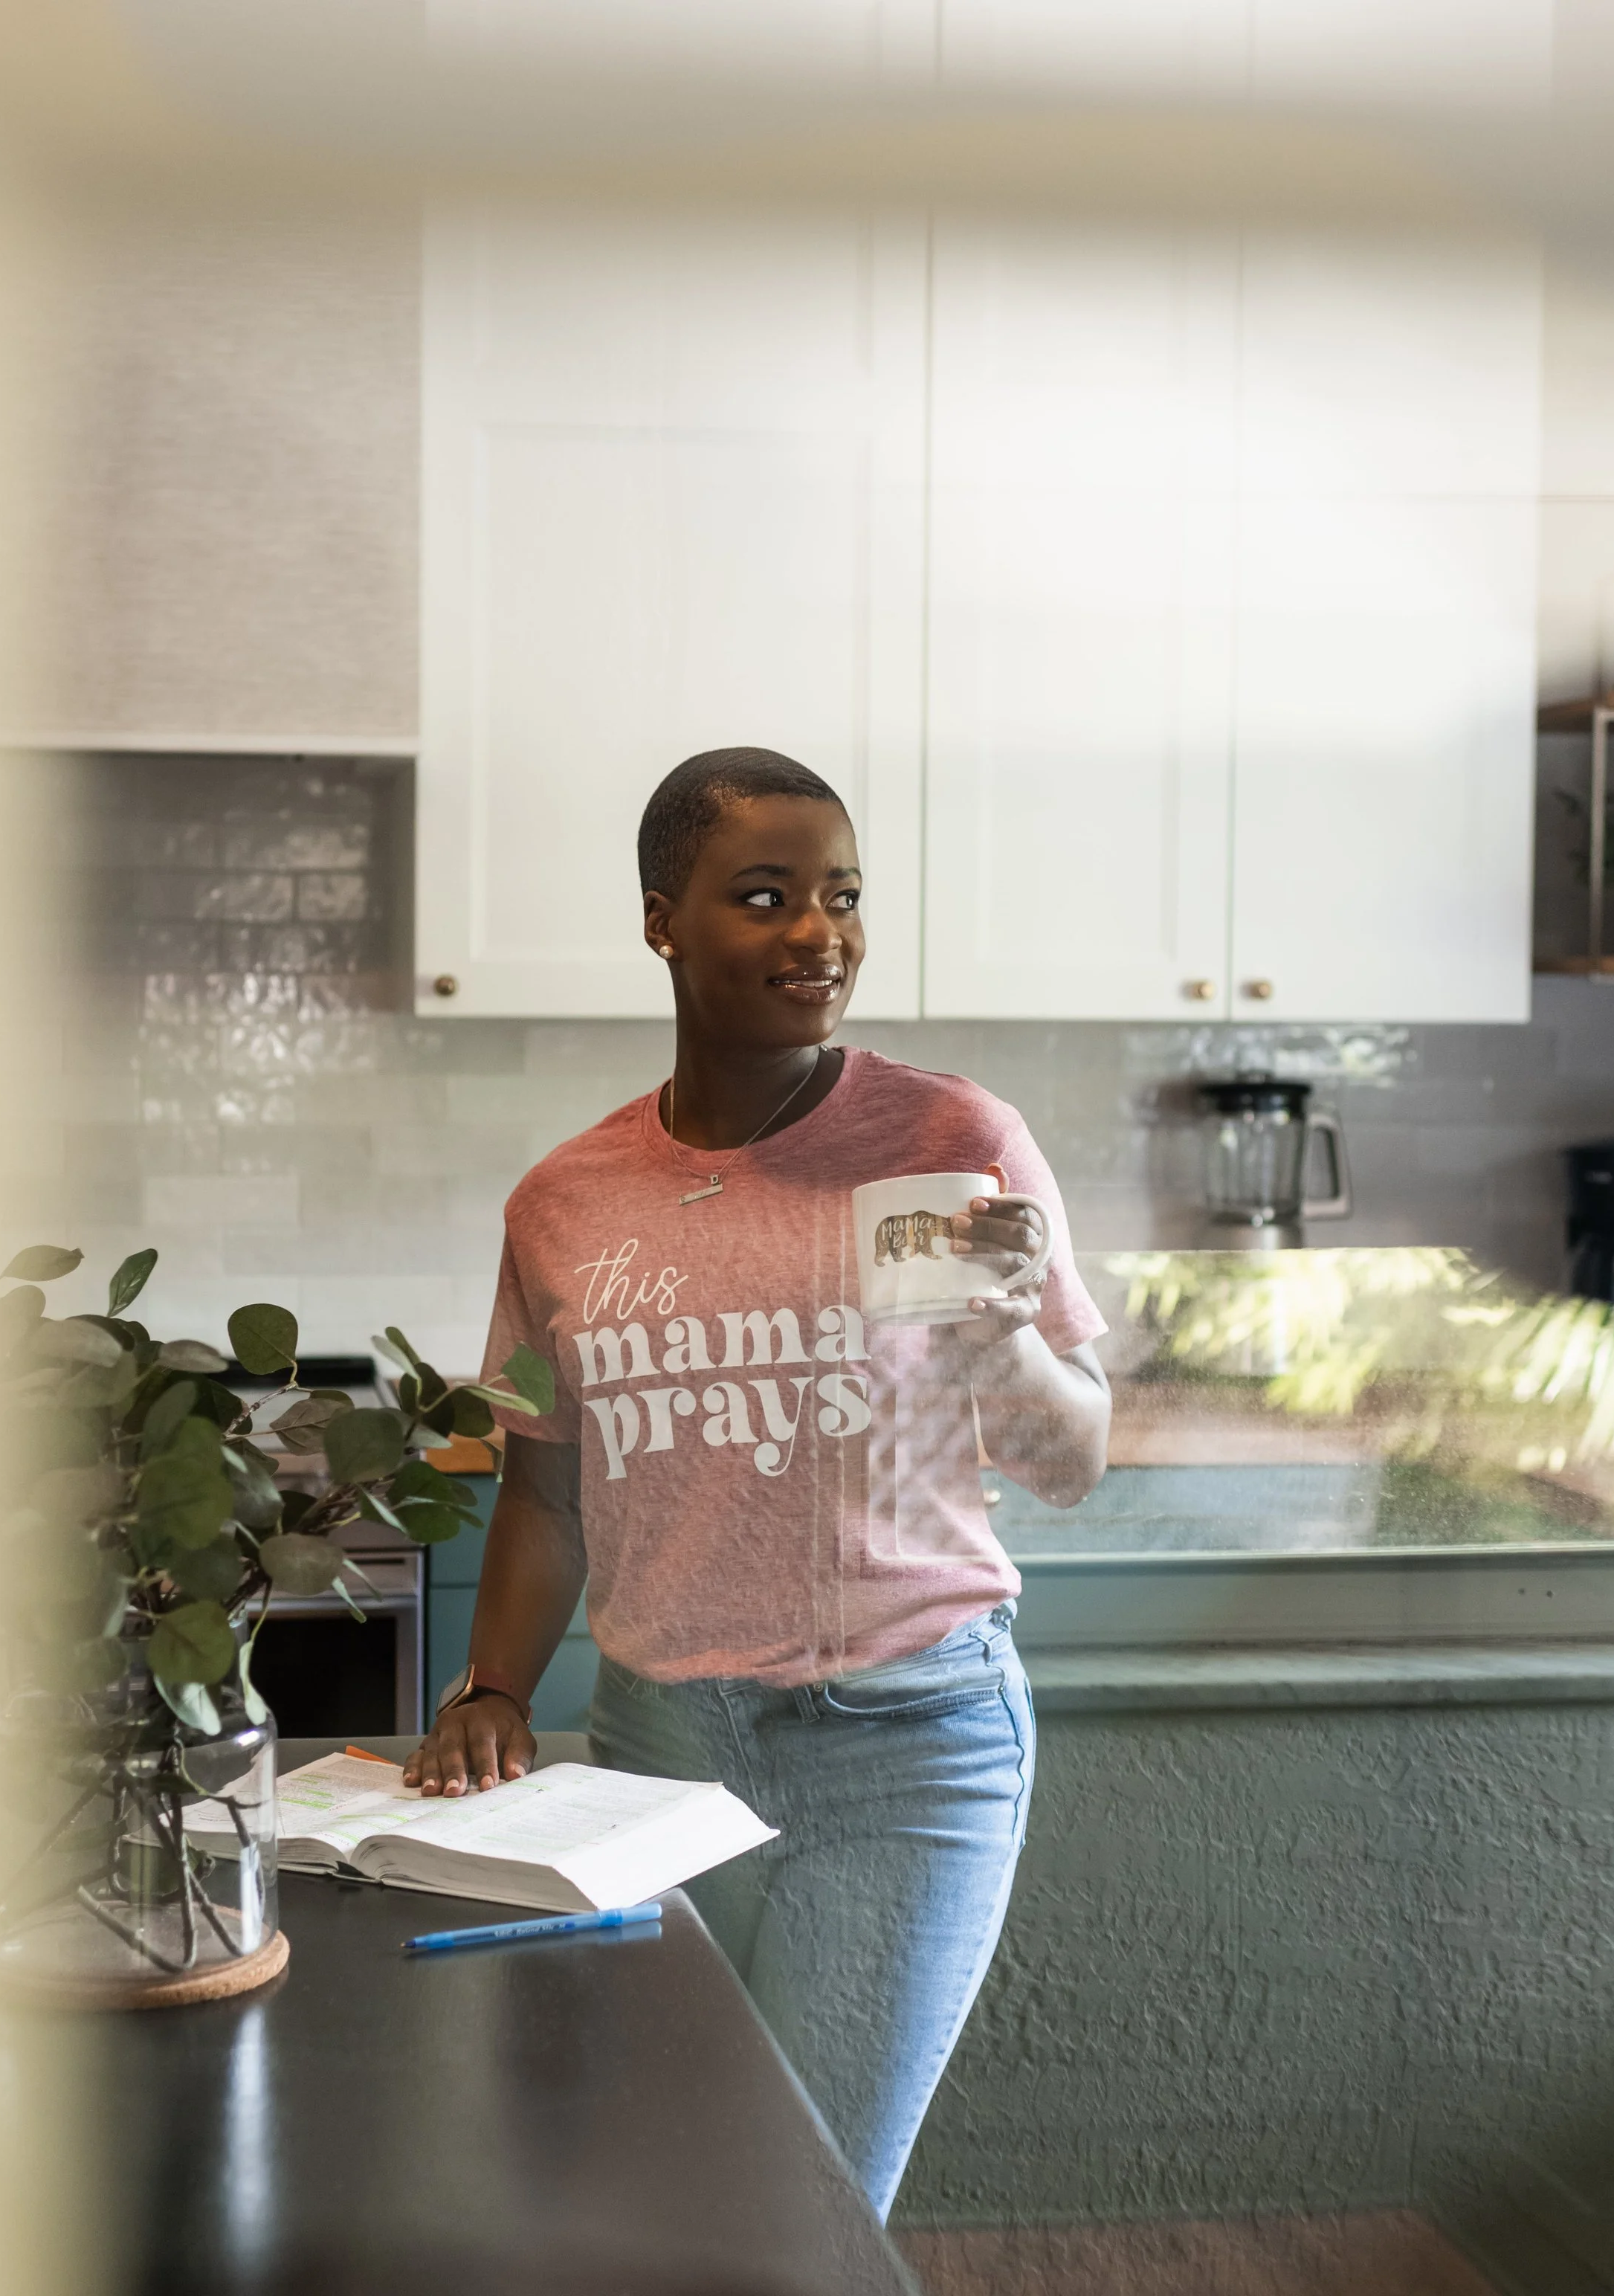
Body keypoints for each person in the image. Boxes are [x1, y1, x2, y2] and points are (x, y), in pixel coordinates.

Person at [404, 746, 1110, 2218]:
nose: (818, 934)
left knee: (802, 2206)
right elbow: (547, 1485)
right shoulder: (566, 1199)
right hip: (657, 1741)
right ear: (663, 918)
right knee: (666, 2180)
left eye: (841, 896)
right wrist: (491, 1686)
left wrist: (1000, 1335)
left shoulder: (943, 1145)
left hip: (910, 1743)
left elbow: (1067, 1461)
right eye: (766, 895)